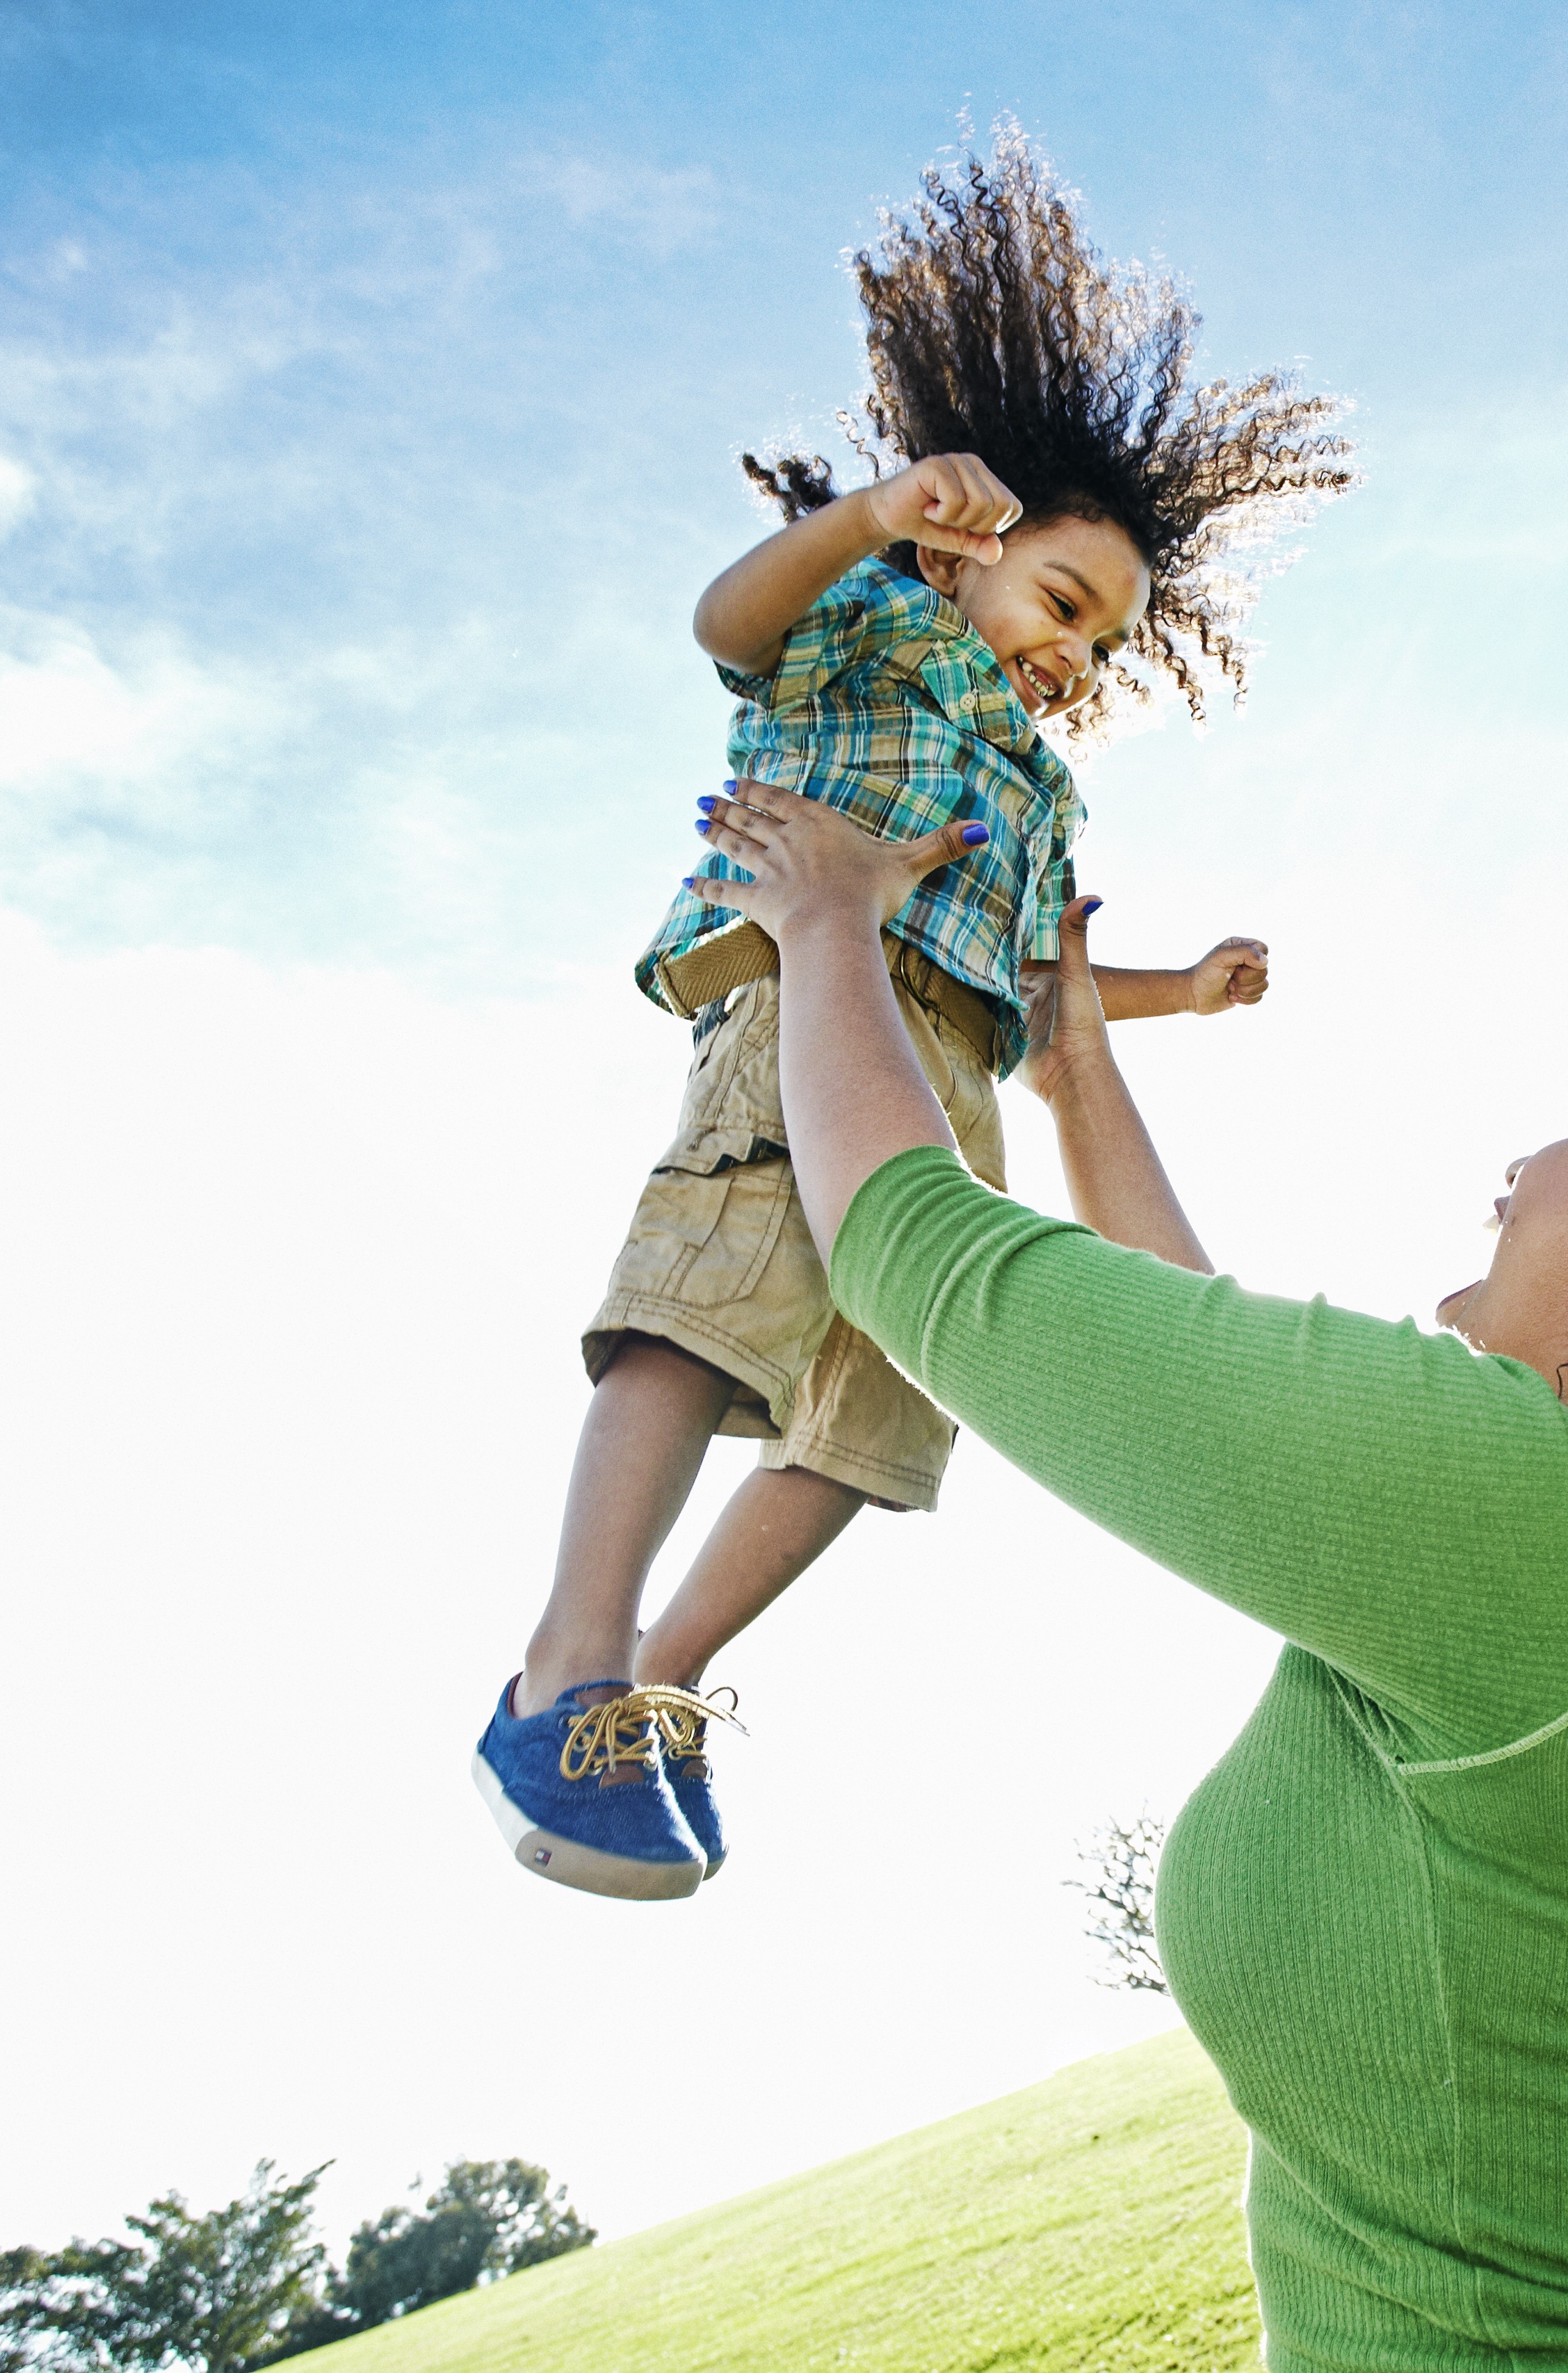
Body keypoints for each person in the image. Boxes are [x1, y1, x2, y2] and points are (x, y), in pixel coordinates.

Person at [680, 787, 1568, 2369]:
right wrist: (1078, 1072)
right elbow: (1200, 1362)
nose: (1527, 1155)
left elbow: (925, 1257)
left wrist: (824, 915)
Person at [471, 130, 1352, 1900]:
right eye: (1063, 601)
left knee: (888, 1402)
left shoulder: (1037, 791)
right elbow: (726, 621)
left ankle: (657, 1686)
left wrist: (1185, 990)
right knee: (717, 1303)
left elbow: (1046, 988)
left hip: (949, 1079)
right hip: (805, 992)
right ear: (968, 549)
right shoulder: (870, 621)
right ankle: (561, 1664)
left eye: (1106, 647)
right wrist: (873, 514)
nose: (1076, 656)